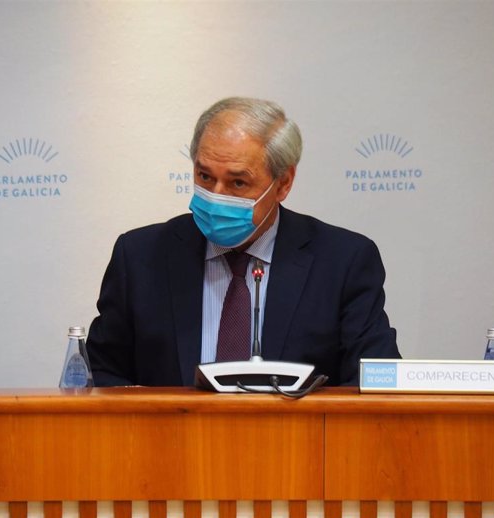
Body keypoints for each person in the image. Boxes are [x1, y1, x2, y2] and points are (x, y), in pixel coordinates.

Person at [87, 97, 400, 387]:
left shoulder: (343, 262)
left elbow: (374, 380)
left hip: (293, 444)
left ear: (284, 183)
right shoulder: (140, 257)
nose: (217, 195)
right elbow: (101, 373)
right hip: (171, 444)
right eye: (205, 177)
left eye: (238, 182)